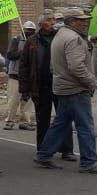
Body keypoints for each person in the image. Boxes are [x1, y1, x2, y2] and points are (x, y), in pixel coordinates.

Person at [33, 7, 97, 174]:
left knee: (61, 123)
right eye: (82, 20)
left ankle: (44, 154)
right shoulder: (73, 38)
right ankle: (89, 161)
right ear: (72, 22)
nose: (86, 23)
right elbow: (76, 67)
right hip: (75, 88)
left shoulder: (60, 36)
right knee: (85, 126)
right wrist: (91, 81)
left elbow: (54, 66)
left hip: (64, 87)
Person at [19, 11, 76, 162]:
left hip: (60, 85)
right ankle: (44, 150)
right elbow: (24, 66)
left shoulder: (61, 38)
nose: (52, 22)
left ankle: (67, 150)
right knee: (42, 120)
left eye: (53, 19)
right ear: (40, 24)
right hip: (41, 86)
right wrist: (24, 89)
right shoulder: (31, 41)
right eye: (48, 20)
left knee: (64, 118)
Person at [3, 22, 36, 131]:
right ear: (23, 30)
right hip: (16, 74)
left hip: (29, 75)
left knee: (27, 101)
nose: (29, 32)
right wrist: (24, 52)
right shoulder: (16, 40)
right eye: (27, 30)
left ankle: (25, 121)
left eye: (32, 31)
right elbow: (10, 55)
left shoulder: (35, 41)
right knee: (14, 99)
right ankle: (9, 121)